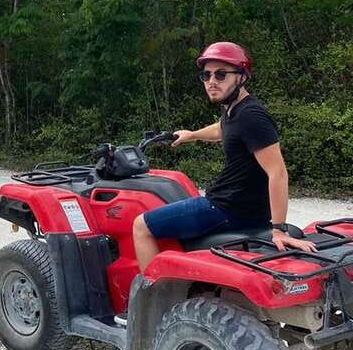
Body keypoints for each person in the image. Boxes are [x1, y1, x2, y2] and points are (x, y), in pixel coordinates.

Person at [132, 41, 316, 271]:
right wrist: (191, 135)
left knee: (141, 225)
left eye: (220, 74)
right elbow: (222, 128)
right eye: (206, 75)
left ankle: (152, 289)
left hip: (226, 209)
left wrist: (278, 229)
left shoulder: (251, 116)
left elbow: (277, 173)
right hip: (235, 207)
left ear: (242, 77)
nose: (211, 81)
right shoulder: (233, 108)